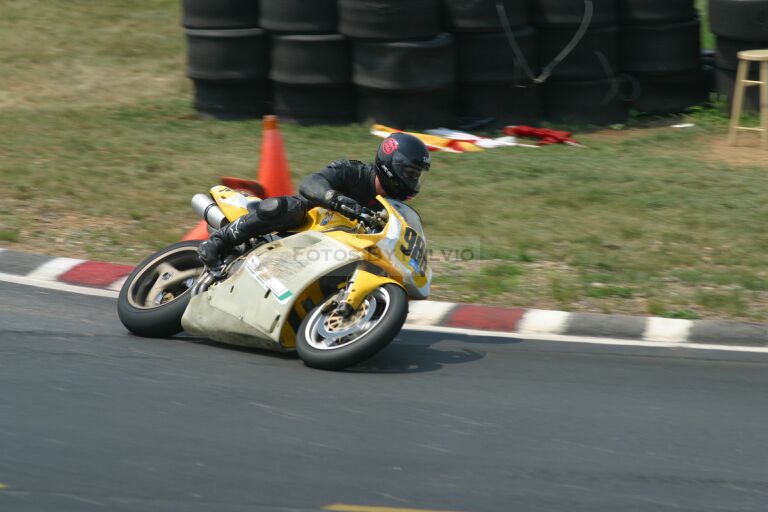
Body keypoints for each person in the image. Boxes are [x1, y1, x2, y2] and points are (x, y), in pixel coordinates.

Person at [197, 132, 431, 268]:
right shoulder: (352, 171)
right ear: (392, 165)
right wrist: (335, 199)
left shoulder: (391, 208)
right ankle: (219, 241)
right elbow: (310, 184)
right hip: (305, 223)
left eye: (417, 176)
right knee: (292, 207)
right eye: (410, 173)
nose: (413, 180)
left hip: (333, 249)